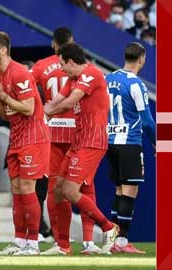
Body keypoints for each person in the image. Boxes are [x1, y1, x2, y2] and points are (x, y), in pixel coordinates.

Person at [32, 27, 101, 255]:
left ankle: (61, 241)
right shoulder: (81, 71)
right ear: (72, 41)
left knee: (57, 190)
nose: (61, 68)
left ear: (54, 44)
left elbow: (30, 91)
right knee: (85, 188)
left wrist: (38, 116)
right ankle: (87, 242)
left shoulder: (42, 66)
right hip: (77, 134)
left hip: (58, 134)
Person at [44, 43, 118, 255]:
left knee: (70, 190)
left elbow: (68, 103)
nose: (61, 69)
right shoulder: (73, 79)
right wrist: (43, 111)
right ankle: (63, 246)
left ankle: (109, 227)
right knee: (58, 189)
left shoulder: (91, 74)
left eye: (62, 65)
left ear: (70, 61)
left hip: (92, 142)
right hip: (79, 141)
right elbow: (57, 99)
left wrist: (46, 115)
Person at [0, 31, 50, 255]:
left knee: (28, 189)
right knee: (17, 190)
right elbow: (7, 114)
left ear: (2, 50)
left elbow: (29, 108)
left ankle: (33, 243)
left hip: (34, 138)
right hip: (17, 137)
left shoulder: (20, 72)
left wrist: (3, 95)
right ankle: (20, 240)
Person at [106, 42, 155, 254]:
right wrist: (156, 142)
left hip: (110, 142)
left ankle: (113, 240)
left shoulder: (108, 78)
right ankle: (123, 242)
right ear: (142, 58)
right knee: (129, 192)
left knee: (118, 191)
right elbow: (146, 121)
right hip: (130, 143)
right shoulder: (136, 84)